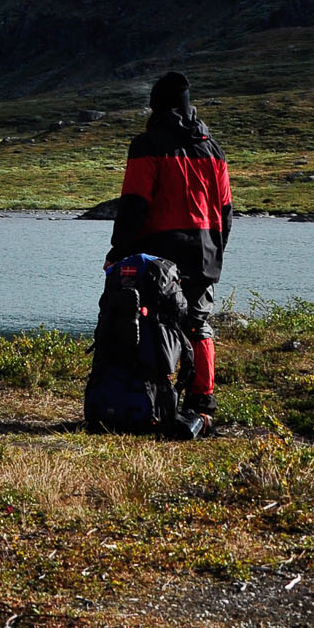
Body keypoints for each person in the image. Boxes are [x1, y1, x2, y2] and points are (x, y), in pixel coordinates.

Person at [107, 71, 231, 430]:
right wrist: (216, 248)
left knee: (153, 322)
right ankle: (201, 402)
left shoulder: (148, 144)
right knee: (198, 323)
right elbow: (226, 210)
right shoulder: (212, 147)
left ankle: (155, 400)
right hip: (206, 250)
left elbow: (134, 204)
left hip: (160, 253)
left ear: (156, 106)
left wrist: (119, 251)